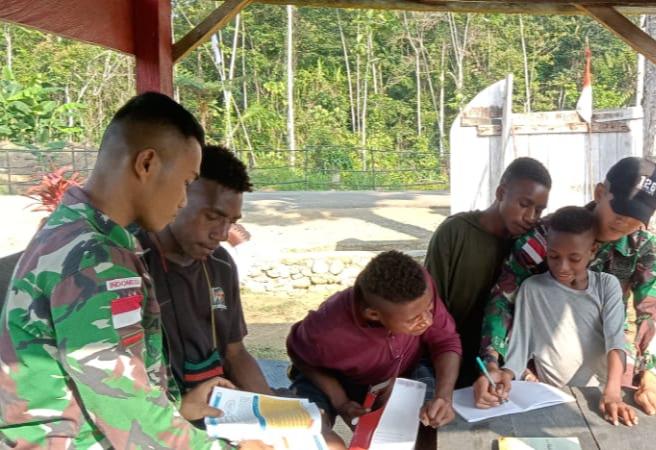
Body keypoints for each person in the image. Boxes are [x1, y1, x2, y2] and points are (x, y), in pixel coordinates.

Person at [0, 92, 264, 449]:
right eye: (186, 183)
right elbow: (127, 414)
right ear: (147, 163)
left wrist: (179, 407)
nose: (183, 200)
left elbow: (113, 388)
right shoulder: (93, 258)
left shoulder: (82, 235)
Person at [477, 157, 656, 420]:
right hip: (543, 364)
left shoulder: (642, 246)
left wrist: (650, 376)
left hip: (609, 364)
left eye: (636, 218)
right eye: (620, 212)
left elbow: (652, 311)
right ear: (600, 193)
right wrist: (492, 360)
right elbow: (503, 300)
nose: (625, 223)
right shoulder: (549, 236)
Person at [137, 145, 271, 396]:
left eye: (231, 222)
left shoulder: (221, 264)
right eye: (212, 217)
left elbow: (235, 353)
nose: (222, 234)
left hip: (219, 404)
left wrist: (271, 409)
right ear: (178, 197)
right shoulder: (130, 261)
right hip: (160, 410)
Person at [287, 250, 462, 431]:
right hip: (343, 379)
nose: (428, 321)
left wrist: (444, 396)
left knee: (423, 426)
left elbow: (445, 341)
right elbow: (300, 356)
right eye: (413, 319)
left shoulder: (419, 286)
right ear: (373, 314)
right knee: (308, 428)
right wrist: (340, 401)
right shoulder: (327, 330)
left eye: (430, 308)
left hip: (404, 369)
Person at [496, 206, 637, 427]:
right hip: (553, 396)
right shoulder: (533, 289)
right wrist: (506, 374)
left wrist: (612, 390)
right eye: (553, 256)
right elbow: (520, 347)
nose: (562, 267)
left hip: (600, 393)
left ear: (592, 250)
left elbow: (615, 341)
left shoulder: (605, 286)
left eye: (574, 258)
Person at [425, 157, 551, 386]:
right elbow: (431, 303)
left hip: (499, 365)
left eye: (539, 210)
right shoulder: (455, 232)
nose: (531, 217)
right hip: (445, 359)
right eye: (524, 204)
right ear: (501, 193)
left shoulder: (529, 248)